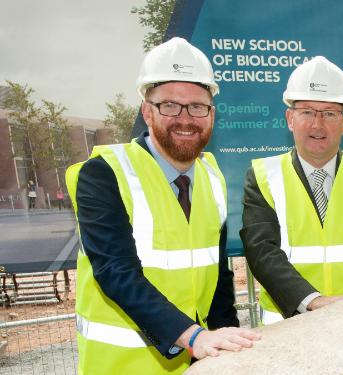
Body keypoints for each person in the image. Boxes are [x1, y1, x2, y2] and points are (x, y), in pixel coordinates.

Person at [66, 37, 259, 373]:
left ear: (212, 114)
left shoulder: (211, 175)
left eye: (198, 107)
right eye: (170, 105)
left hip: (196, 362)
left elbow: (218, 274)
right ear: (146, 111)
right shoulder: (104, 173)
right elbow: (115, 271)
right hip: (121, 365)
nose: (185, 119)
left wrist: (227, 349)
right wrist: (193, 335)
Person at [240, 56, 343, 325]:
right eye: (306, 112)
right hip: (291, 328)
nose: (318, 124)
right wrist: (312, 302)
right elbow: (262, 252)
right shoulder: (263, 176)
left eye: (329, 113)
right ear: (290, 118)